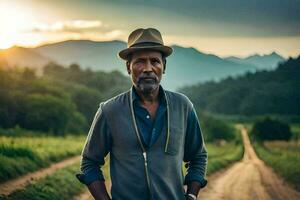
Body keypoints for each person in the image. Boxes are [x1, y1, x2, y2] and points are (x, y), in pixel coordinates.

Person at [76, 28, 208, 200]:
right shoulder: (110, 111)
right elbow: (89, 162)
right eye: (139, 62)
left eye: (155, 61)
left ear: (164, 66)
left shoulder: (183, 106)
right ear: (128, 67)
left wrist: (191, 195)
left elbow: (198, 156)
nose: (148, 68)